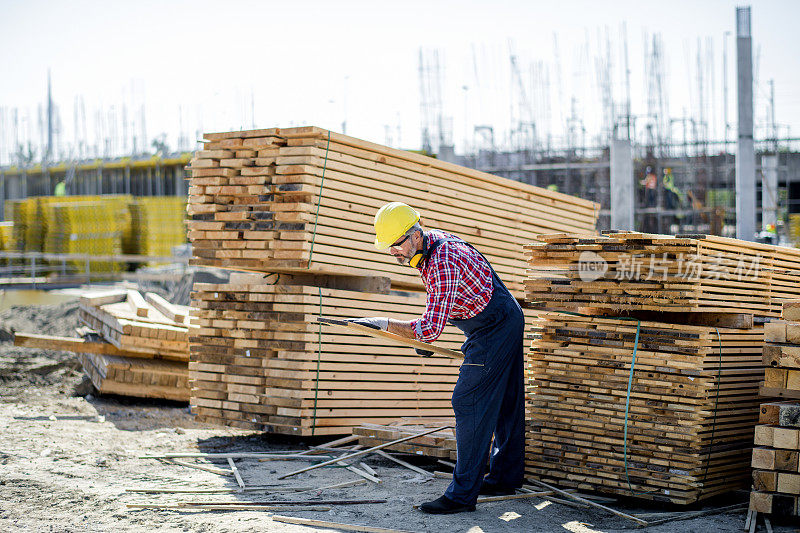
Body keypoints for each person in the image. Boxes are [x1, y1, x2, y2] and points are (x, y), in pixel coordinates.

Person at [349, 202, 525, 514]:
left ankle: (461, 496)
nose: (393, 253)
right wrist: (422, 332)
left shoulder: (442, 262)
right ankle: (505, 477)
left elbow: (429, 329)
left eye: (395, 246)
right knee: (506, 400)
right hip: (500, 317)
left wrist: (385, 324)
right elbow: (443, 308)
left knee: (468, 400)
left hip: (495, 327)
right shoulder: (430, 246)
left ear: (414, 236)